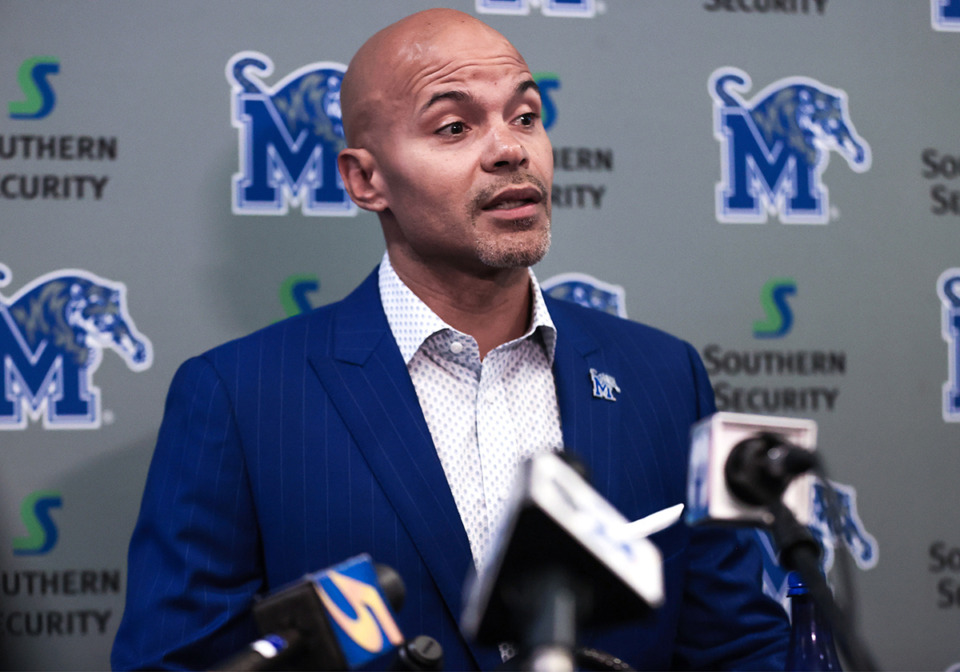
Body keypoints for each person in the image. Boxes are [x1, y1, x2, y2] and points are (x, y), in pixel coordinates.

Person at [112, 8, 789, 670]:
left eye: (525, 116)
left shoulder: (665, 376)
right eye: (454, 126)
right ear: (366, 179)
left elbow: (738, 647)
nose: (510, 149)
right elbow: (177, 661)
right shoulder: (240, 396)